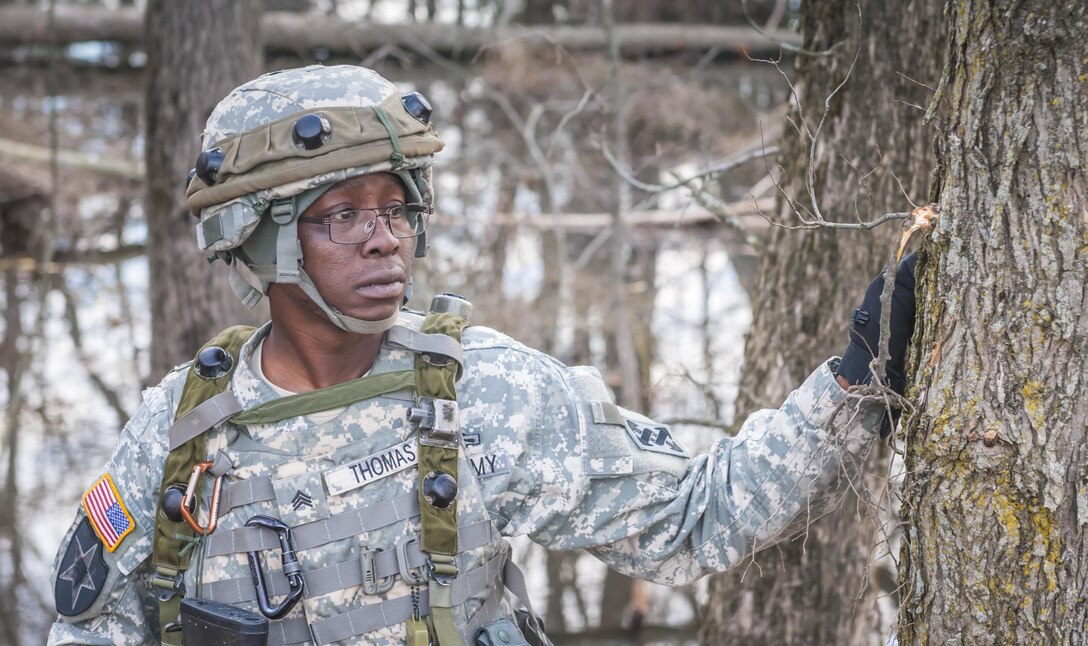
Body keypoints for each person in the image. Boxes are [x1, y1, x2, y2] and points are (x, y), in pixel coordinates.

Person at [47, 65, 916, 646]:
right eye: (340, 215)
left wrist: (853, 383)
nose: (384, 241)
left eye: (394, 210)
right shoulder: (180, 435)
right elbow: (89, 627)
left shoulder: (485, 393)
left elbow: (692, 521)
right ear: (260, 240)